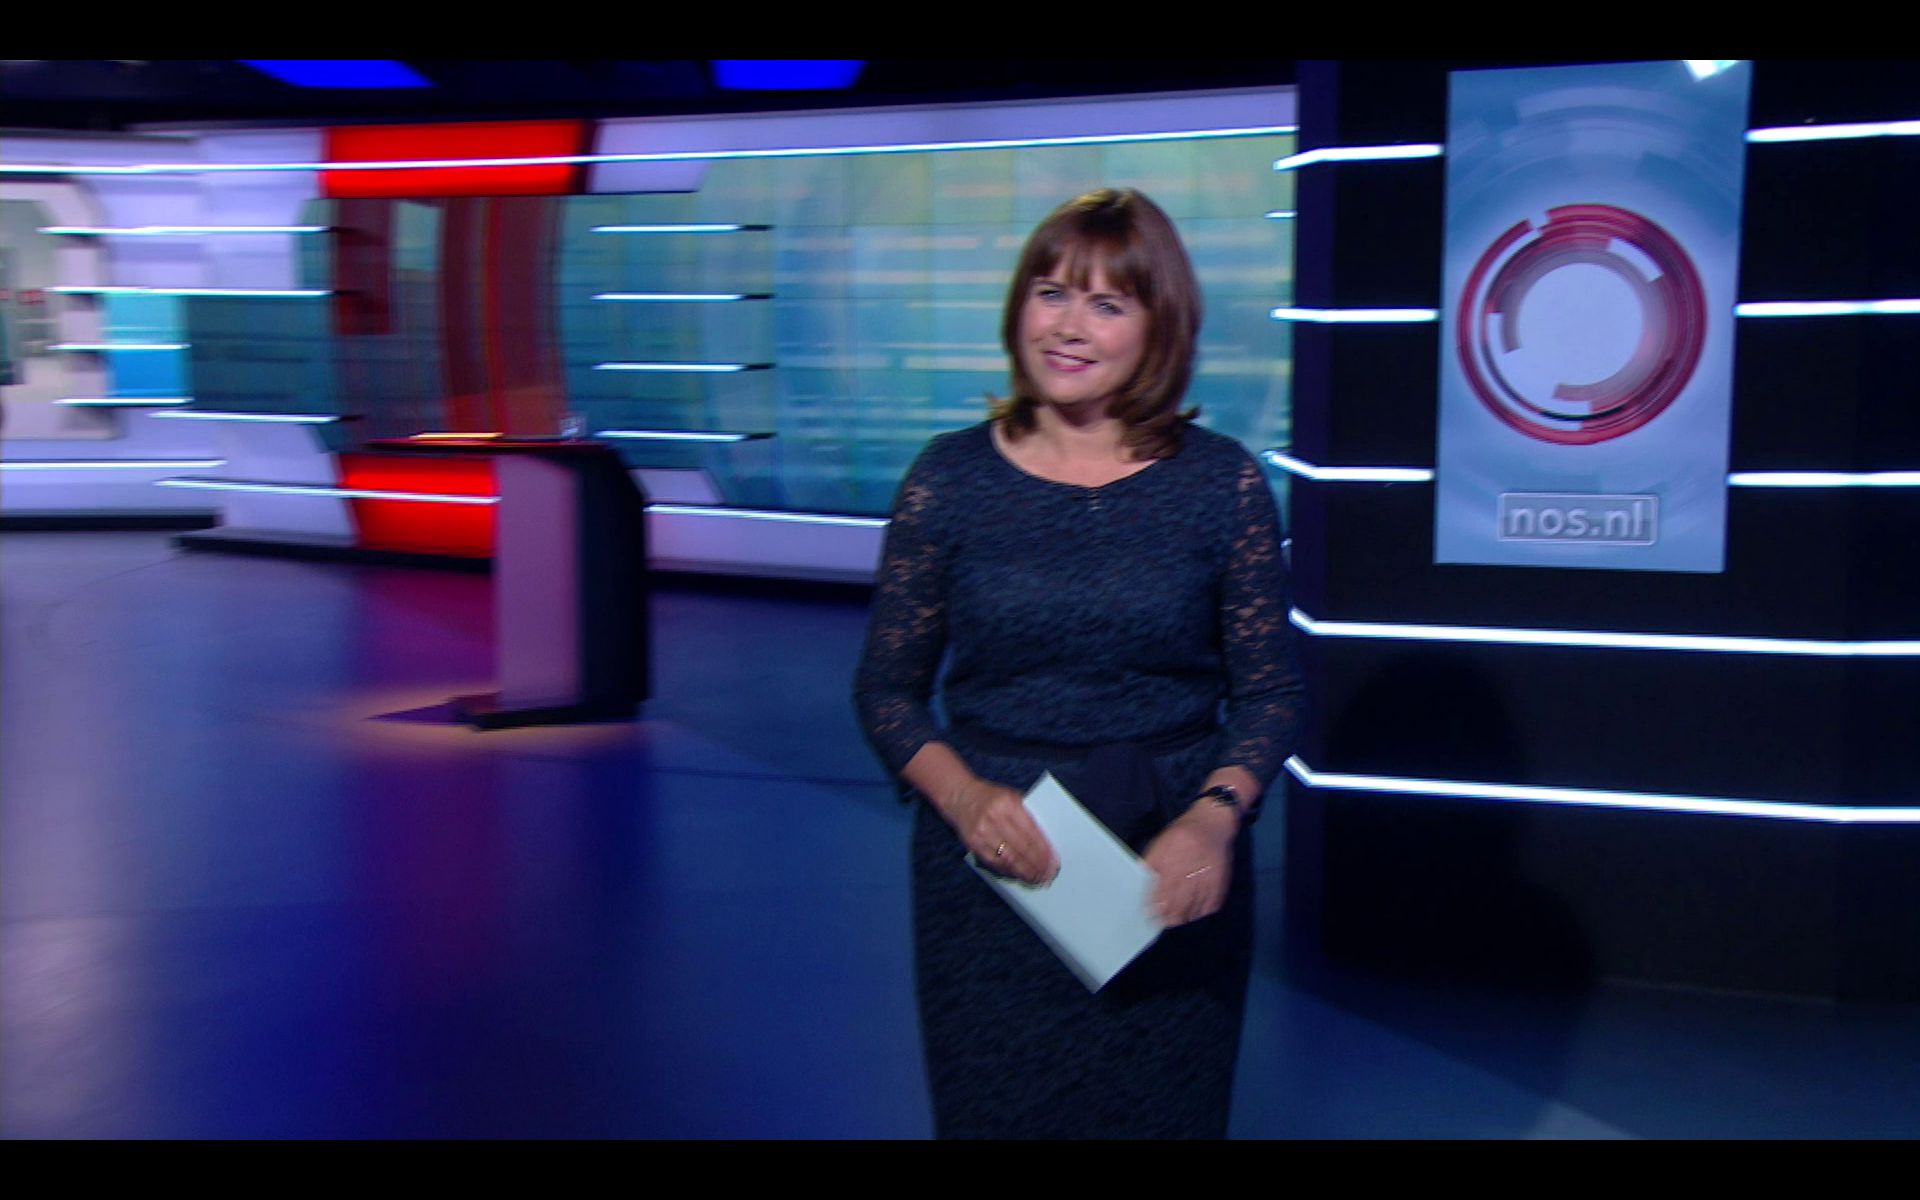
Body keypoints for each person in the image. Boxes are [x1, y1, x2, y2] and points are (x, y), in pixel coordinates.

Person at [853, 187, 1303, 1139]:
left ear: (1159, 325)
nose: (1067, 326)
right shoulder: (947, 480)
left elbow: (1270, 693)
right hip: (996, 867)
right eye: (1051, 292)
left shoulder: (1221, 484)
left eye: (1107, 303)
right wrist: (964, 799)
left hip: (1166, 865)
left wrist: (1213, 820)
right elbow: (887, 692)